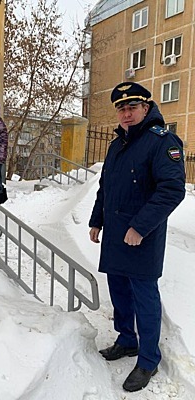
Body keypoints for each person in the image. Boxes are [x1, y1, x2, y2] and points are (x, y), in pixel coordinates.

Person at [88, 81, 185, 392]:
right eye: (121, 108)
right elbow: (107, 187)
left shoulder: (163, 142)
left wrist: (140, 227)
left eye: (132, 107)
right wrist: (96, 220)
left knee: (144, 298)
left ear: (146, 108)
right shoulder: (117, 145)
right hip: (116, 235)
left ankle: (148, 359)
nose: (126, 113)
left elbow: (171, 191)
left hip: (142, 238)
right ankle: (127, 341)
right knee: (119, 291)